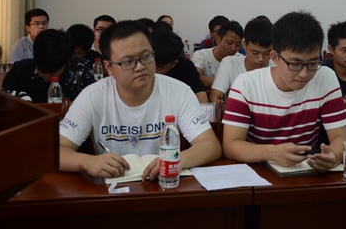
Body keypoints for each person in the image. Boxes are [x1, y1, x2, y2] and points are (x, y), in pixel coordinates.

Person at [58, 20, 221, 180]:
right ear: (108, 67)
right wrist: (87, 162)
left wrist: (176, 160)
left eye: (146, 56)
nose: (140, 66)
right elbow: (56, 150)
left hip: (163, 184)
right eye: (128, 61)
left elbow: (210, 145)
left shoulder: (179, 92)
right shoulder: (91, 96)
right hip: (112, 187)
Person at [222, 11, 346, 172]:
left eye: (312, 63)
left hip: (307, 171)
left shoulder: (325, 77)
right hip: (258, 172)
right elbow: (231, 145)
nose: (304, 74)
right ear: (275, 57)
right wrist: (272, 153)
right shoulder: (246, 84)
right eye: (295, 64)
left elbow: (340, 136)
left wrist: (334, 155)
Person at [2, 29, 95, 102]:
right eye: (42, 69)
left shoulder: (81, 68)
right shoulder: (21, 69)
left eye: (53, 71)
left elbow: (91, 102)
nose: (47, 75)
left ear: (67, 61)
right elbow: (4, 99)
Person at [209, 17, 273, 102]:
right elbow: (215, 97)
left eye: (267, 53)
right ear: (244, 45)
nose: (261, 59)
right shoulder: (229, 63)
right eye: (255, 52)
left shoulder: (278, 68)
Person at [151, 29, 207, 103]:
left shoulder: (185, 67)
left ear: (174, 64)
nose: (151, 69)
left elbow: (201, 98)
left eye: (159, 67)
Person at [191, 20, 243, 87]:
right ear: (218, 40)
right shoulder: (201, 56)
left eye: (238, 45)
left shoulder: (240, 59)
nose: (233, 48)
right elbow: (197, 78)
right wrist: (228, 83)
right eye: (230, 43)